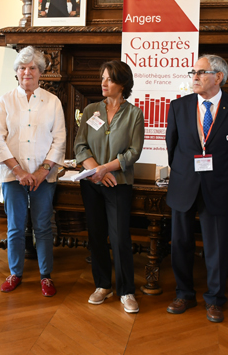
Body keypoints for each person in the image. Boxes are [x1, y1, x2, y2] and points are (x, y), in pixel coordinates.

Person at [165, 54, 228, 323]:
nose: (194, 76)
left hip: (219, 186)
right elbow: (173, 146)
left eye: (201, 72)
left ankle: (215, 299)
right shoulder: (178, 106)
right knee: (180, 243)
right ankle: (184, 294)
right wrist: (184, 172)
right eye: (193, 71)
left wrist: (223, 176)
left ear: (218, 77)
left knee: (216, 246)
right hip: (184, 184)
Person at [0, 46, 66, 297]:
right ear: (16, 72)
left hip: (45, 176)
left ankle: (46, 276)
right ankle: (15, 273)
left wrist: (43, 171)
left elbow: (60, 139)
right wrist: (19, 171)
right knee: (15, 226)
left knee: (43, 226)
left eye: (32, 67)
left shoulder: (52, 101)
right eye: (22, 68)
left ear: (40, 72)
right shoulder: (5, 101)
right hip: (13, 176)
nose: (27, 72)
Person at [74, 60, 144, 314]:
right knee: (96, 235)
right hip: (92, 183)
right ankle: (103, 285)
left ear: (123, 83)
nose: (103, 83)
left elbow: (133, 152)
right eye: (102, 78)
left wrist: (106, 169)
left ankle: (127, 291)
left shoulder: (135, 114)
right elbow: (80, 146)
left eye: (110, 79)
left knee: (120, 238)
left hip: (119, 183)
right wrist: (97, 170)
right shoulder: (91, 109)